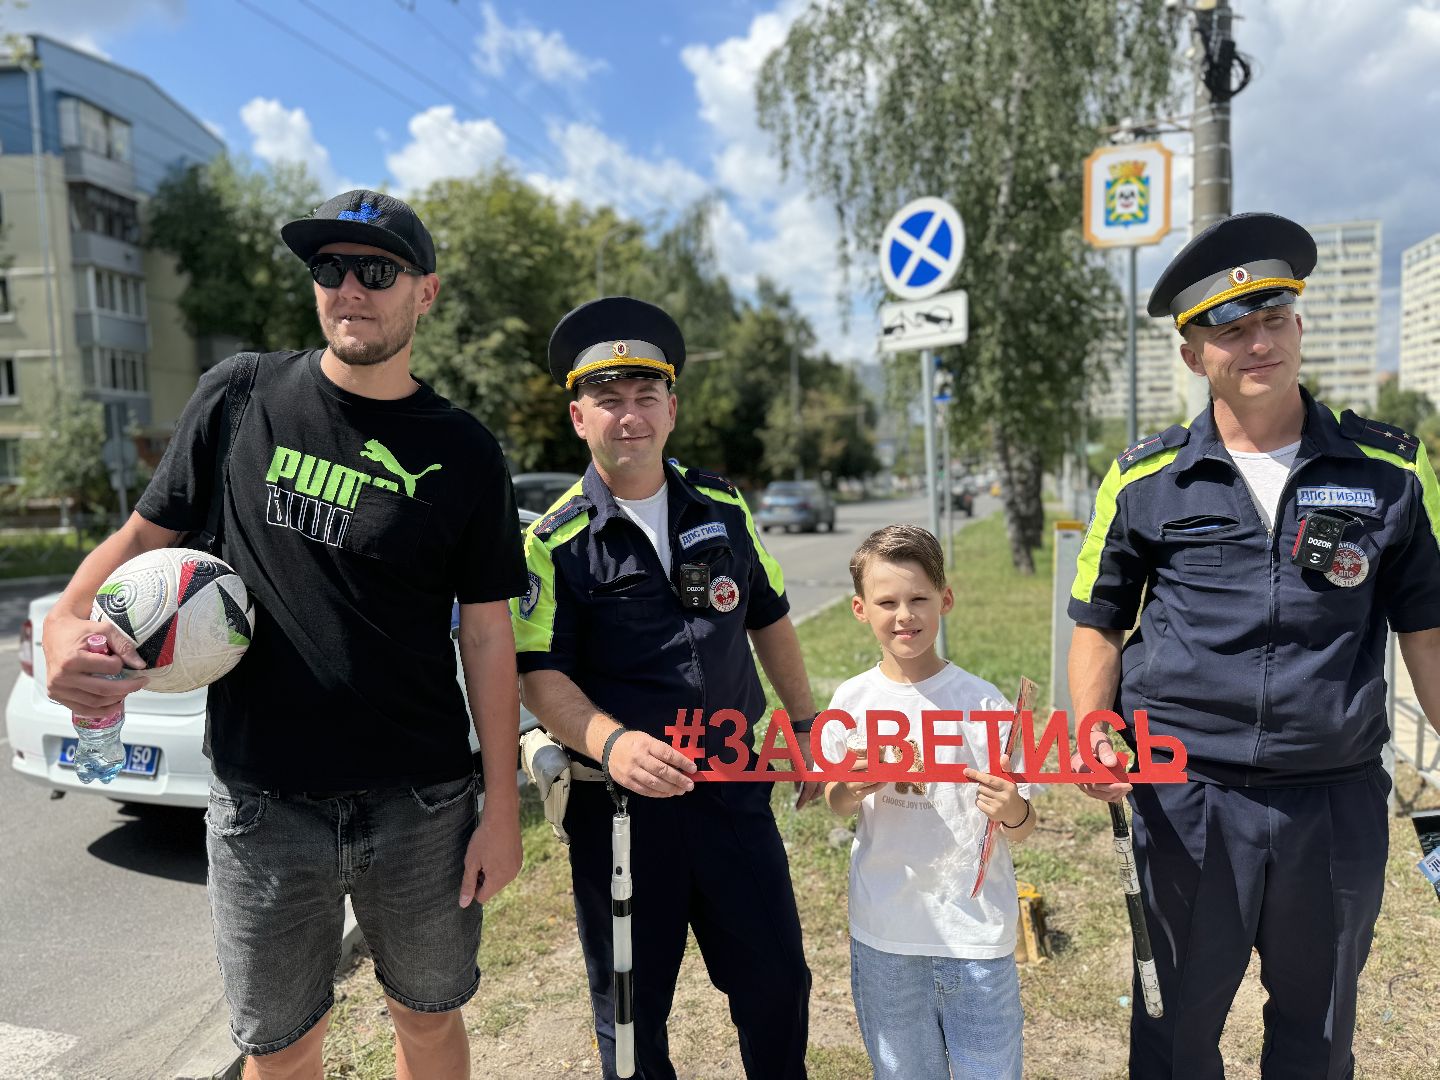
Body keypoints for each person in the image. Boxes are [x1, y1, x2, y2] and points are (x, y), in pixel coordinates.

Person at [42, 189, 528, 1080]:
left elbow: (489, 637)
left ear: (425, 292)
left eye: (376, 270)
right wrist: (68, 620)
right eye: (329, 268)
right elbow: (143, 540)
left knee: (427, 1021)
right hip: (264, 807)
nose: (350, 288)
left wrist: (501, 805)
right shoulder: (241, 396)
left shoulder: (463, 451)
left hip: (421, 805)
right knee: (281, 1047)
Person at [1067, 211, 1440, 1080]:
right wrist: (1091, 725)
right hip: (1184, 796)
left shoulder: (1390, 471)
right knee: (1175, 1034)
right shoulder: (1143, 478)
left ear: (1299, 326)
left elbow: (1426, 624)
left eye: (1274, 319)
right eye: (1231, 330)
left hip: (1333, 801)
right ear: (1195, 355)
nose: (1258, 343)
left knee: (1318, 1035)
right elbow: (1098, 618)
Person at [512, 296, 819, 1080]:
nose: (629, 416)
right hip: (620, 811)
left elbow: (770, 616)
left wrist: (807, 727)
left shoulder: (722, 505)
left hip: (732, 790)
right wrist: (611, 744)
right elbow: (538, 675)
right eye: (608, 400)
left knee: (778, 984)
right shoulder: (554, 541)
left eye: (645, 397)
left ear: (672, 408)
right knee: (630, 1015)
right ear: (578, 416)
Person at [821, 525, 1033, 1080]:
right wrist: (850, 786)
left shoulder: (982, 701)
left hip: (975, 932)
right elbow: (835, 802)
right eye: (887, 602)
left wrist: (1010, 807)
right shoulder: (851, 700)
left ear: (946, 600)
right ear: (860, 609)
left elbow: (1024, 821)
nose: (904, 615)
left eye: (918, 598)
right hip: (885, 930)